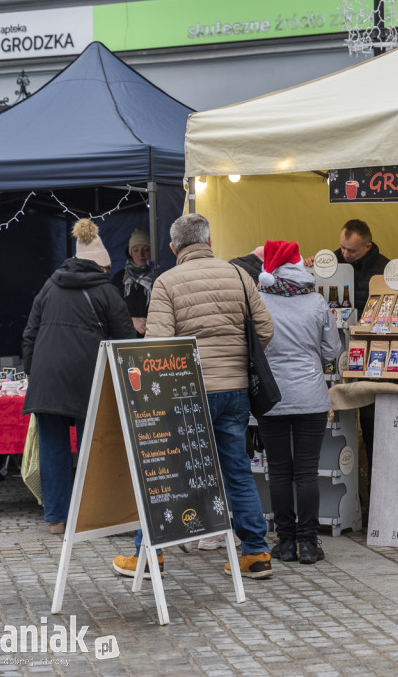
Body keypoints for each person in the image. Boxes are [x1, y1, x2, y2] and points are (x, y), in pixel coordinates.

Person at [111, 213, 275, 580]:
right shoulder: (239, 275)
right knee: (237, 470)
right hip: (234, 391)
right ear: (210, 241)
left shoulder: (167, 282)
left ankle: (150, 556)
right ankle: (256, 553)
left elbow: (157, 346)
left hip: (187, 393)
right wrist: (235, 362)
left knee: (167, 472)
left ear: (173, 248)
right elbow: (265, 330)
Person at [22, 219, 137, 534]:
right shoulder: (107, 291)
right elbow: (126, 342)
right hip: (89, 380)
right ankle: (93, 515)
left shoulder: (49, 285)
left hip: (47, 380)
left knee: (53, 449)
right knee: (94, 447)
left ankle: (57, 519)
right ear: (102, 266)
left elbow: (29, 335)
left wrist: (33, 374)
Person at [254, 240, 342, 564]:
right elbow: (331, 351)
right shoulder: (316, 302)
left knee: (278, 471)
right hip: (311, 396)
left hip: (271, 396)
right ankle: (308, 543)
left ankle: (285, 542)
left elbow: (253, 347)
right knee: (306, 471)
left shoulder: (259, 300)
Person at [305, 219, 389, 496]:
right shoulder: (329, 263)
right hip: (334, 359)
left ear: (368, 246)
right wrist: (309, 268)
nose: (345, 254)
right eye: (342, 247)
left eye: (351, 250)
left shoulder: (385, 270)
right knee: (334, 427)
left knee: (373, 427)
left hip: (371, 361)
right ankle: (340, 496)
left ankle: (374, 497)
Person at [111, 226, 156, 336]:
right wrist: (131, 321)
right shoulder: (119, 278)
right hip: (126, 338)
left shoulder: (159, 277)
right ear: (130, 252)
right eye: (136, 250)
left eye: (146, 249)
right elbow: (111, 311)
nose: (140, 254)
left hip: (154, 336)